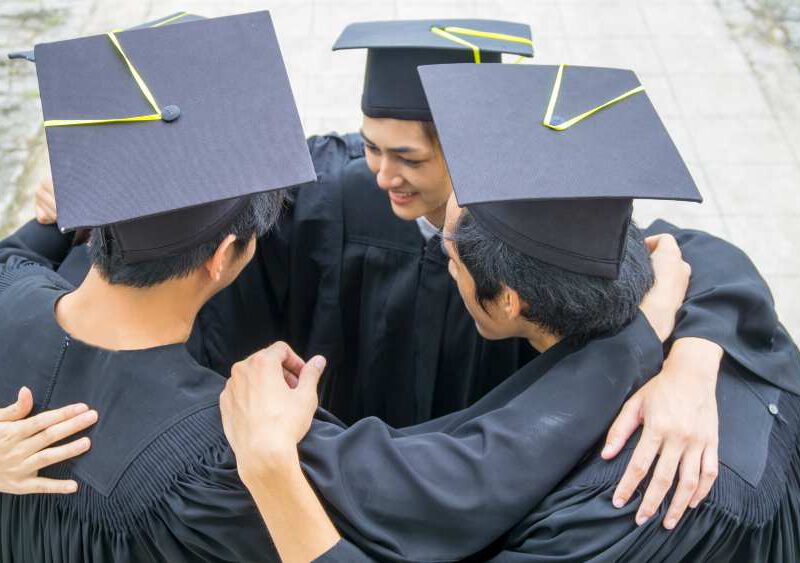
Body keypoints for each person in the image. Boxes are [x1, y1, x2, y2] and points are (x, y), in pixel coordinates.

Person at [16, 15, 790, 527]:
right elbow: (199, 190)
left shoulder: (542, 222)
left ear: (479, 148)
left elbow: (696, 260)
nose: (380, 173)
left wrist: (692, 357)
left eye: (409, 157)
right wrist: (92, 182)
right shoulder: (340, 184)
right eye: (370, 143)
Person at [217, 63, 800, 562]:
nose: (442, 260)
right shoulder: (685, 308)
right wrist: (695, 357)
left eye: (450, 257)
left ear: (509, 301)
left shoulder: (623, 500)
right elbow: (702, 254)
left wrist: (274, 468)